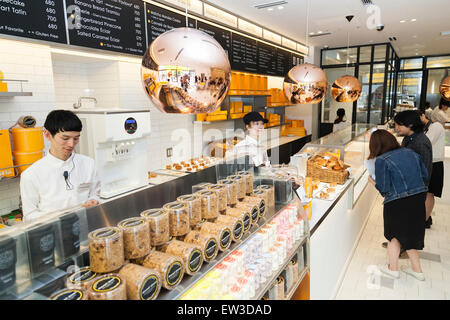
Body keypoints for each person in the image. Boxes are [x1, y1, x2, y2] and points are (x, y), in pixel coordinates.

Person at [367, 129, 427, 281]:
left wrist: (373, 182)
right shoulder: (411, 153)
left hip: (397, 202)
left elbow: (385, 188)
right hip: (419, 198)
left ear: (375, 146)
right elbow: (425, 176)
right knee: (411, 235)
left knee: (394, 235)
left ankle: (393, 269)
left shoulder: (382, 160)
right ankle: (418, 271)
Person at [20, 110, 100, 222]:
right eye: (65, 138)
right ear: (47, 135)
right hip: (52, 233)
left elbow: (95, 194)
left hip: (85, 228)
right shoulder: (31, 175)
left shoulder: (88, 163)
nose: (71, 144)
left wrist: (93, 200)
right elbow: (29, 216)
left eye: (76, 138)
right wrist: (62, 216)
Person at [419, 110, 445, 228]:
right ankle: (426, 219)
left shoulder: (436, 126)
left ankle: (423, 221)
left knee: (429, 193)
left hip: (434, 163)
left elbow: (426, 142)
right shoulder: (434, 127)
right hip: (432, 163)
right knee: (428, 193)